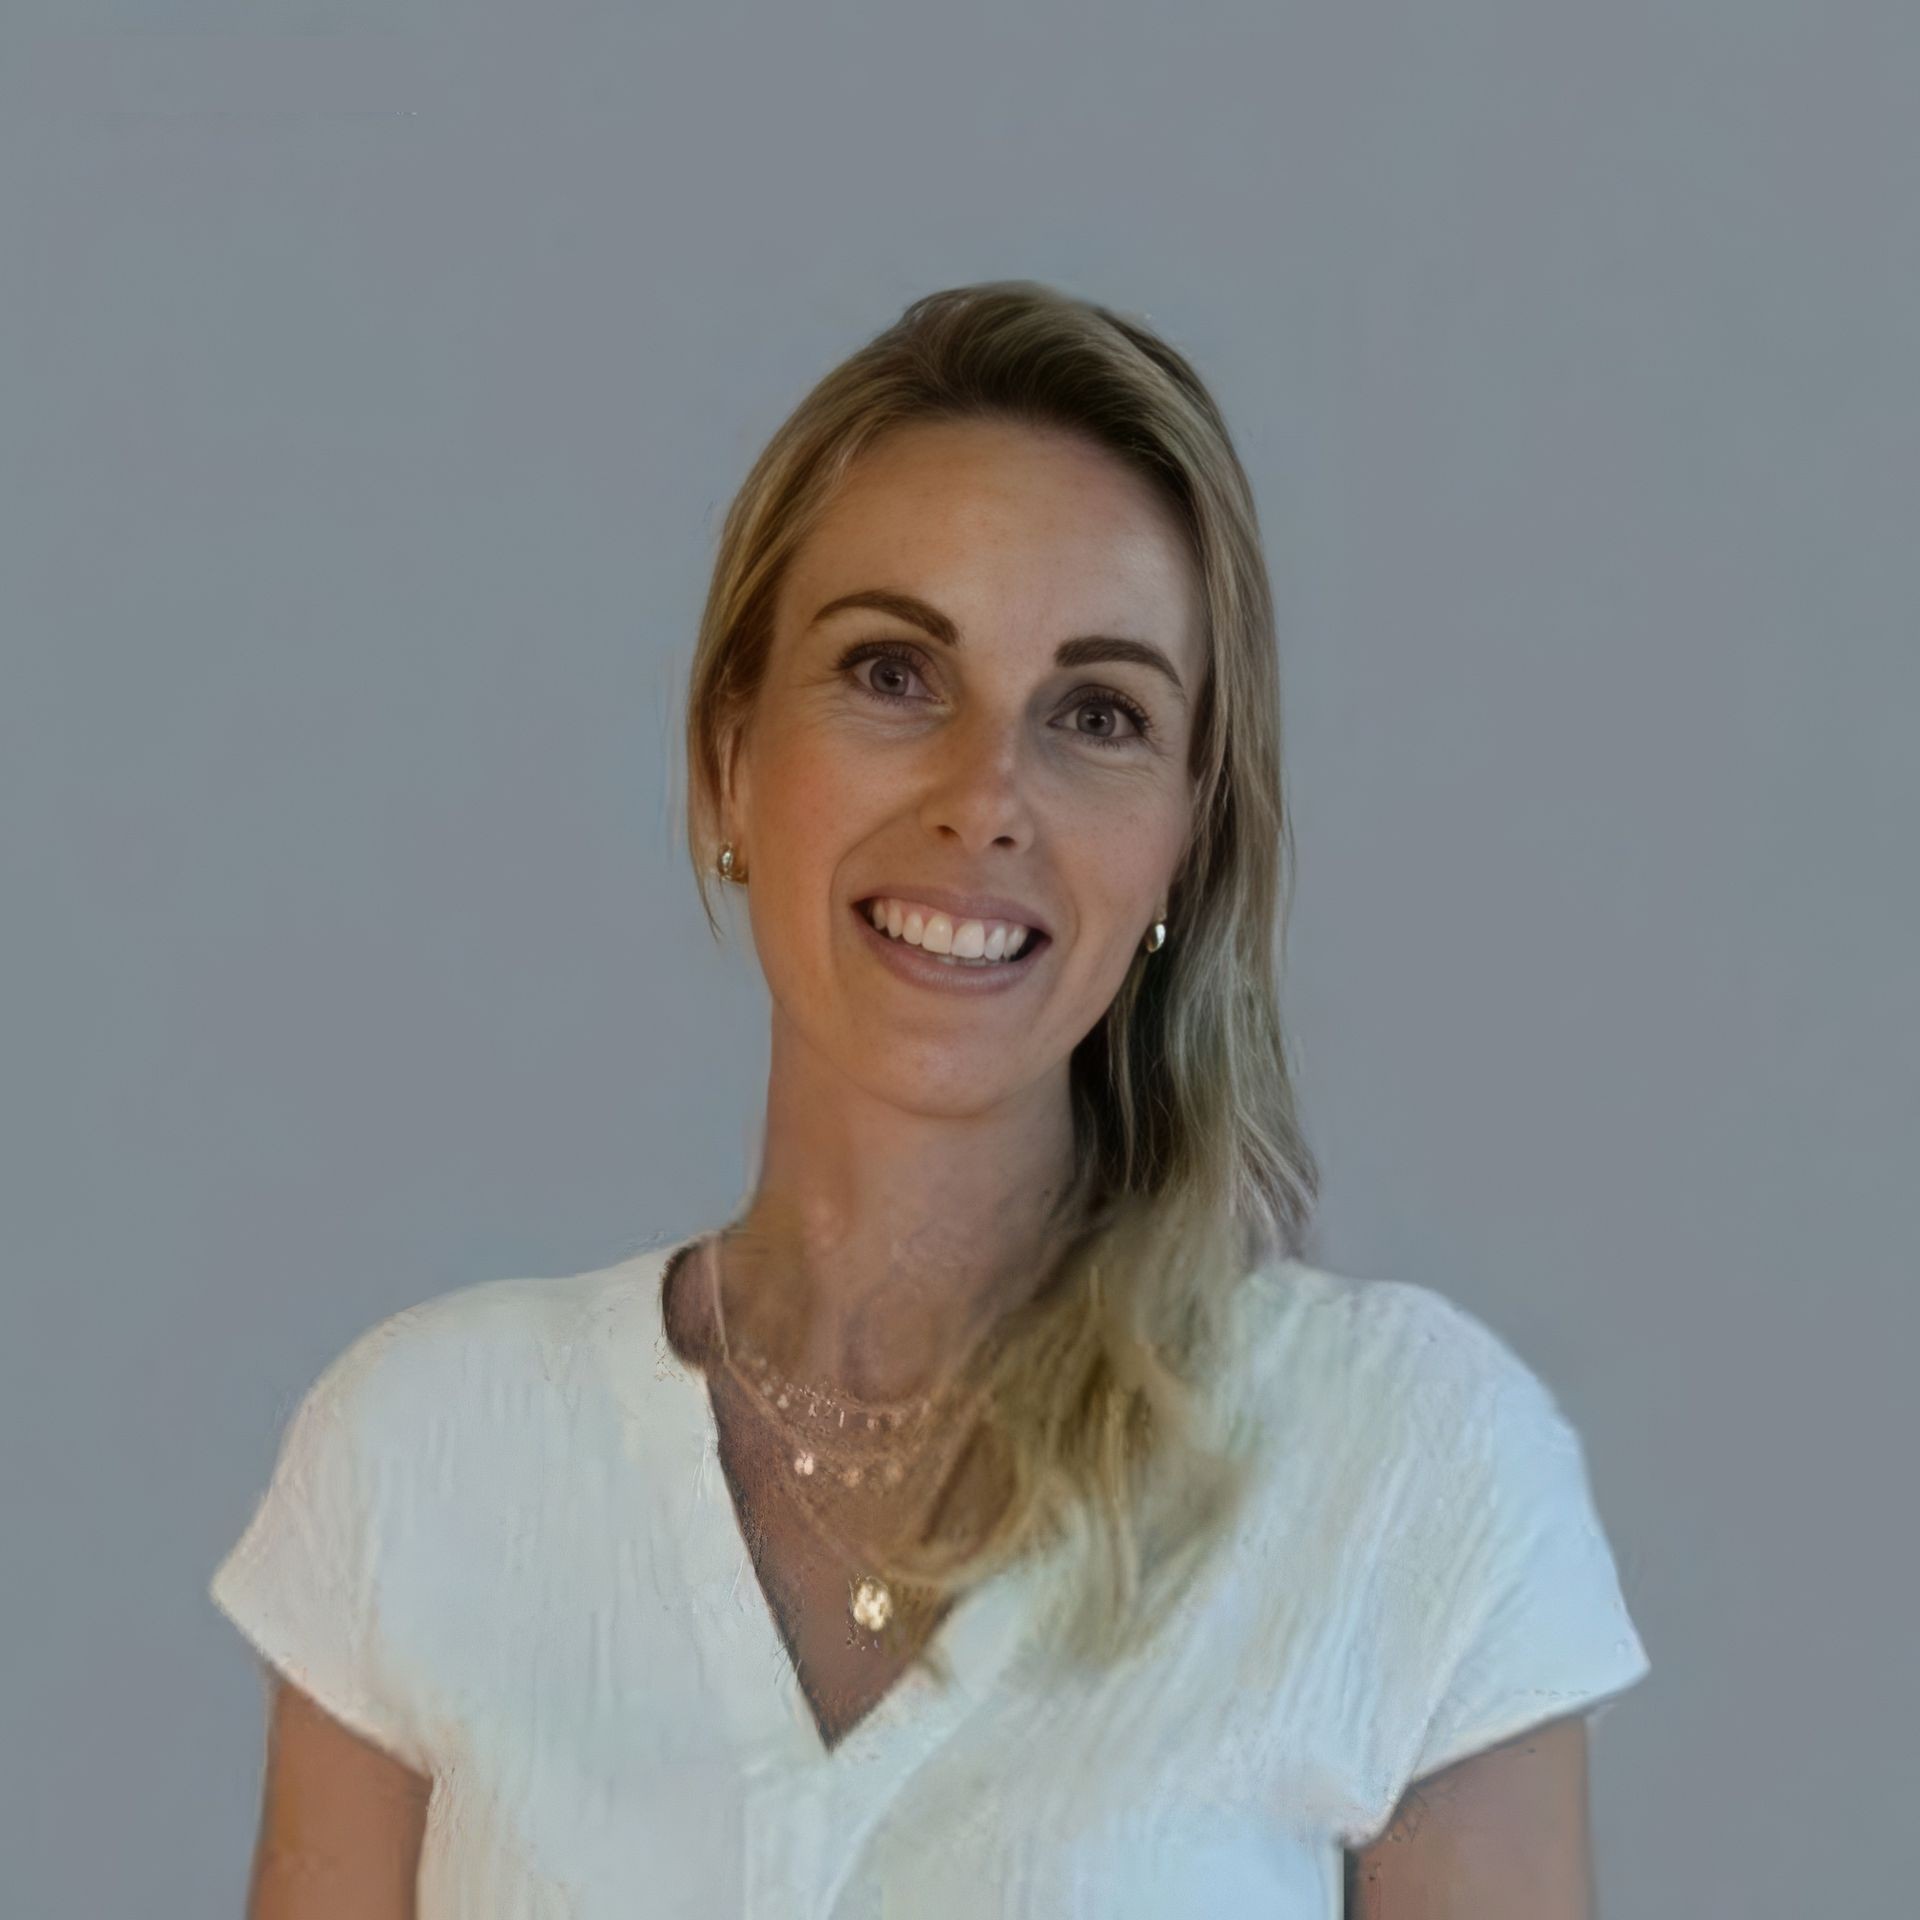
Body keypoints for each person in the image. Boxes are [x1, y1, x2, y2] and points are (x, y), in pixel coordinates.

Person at [209, 281, 1651, 1918]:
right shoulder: (426, 1461)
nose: (987, 798)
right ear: (728, 760)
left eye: (1097, 715)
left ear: (1186, 841)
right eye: (893, 673)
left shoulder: (1413, 1476)